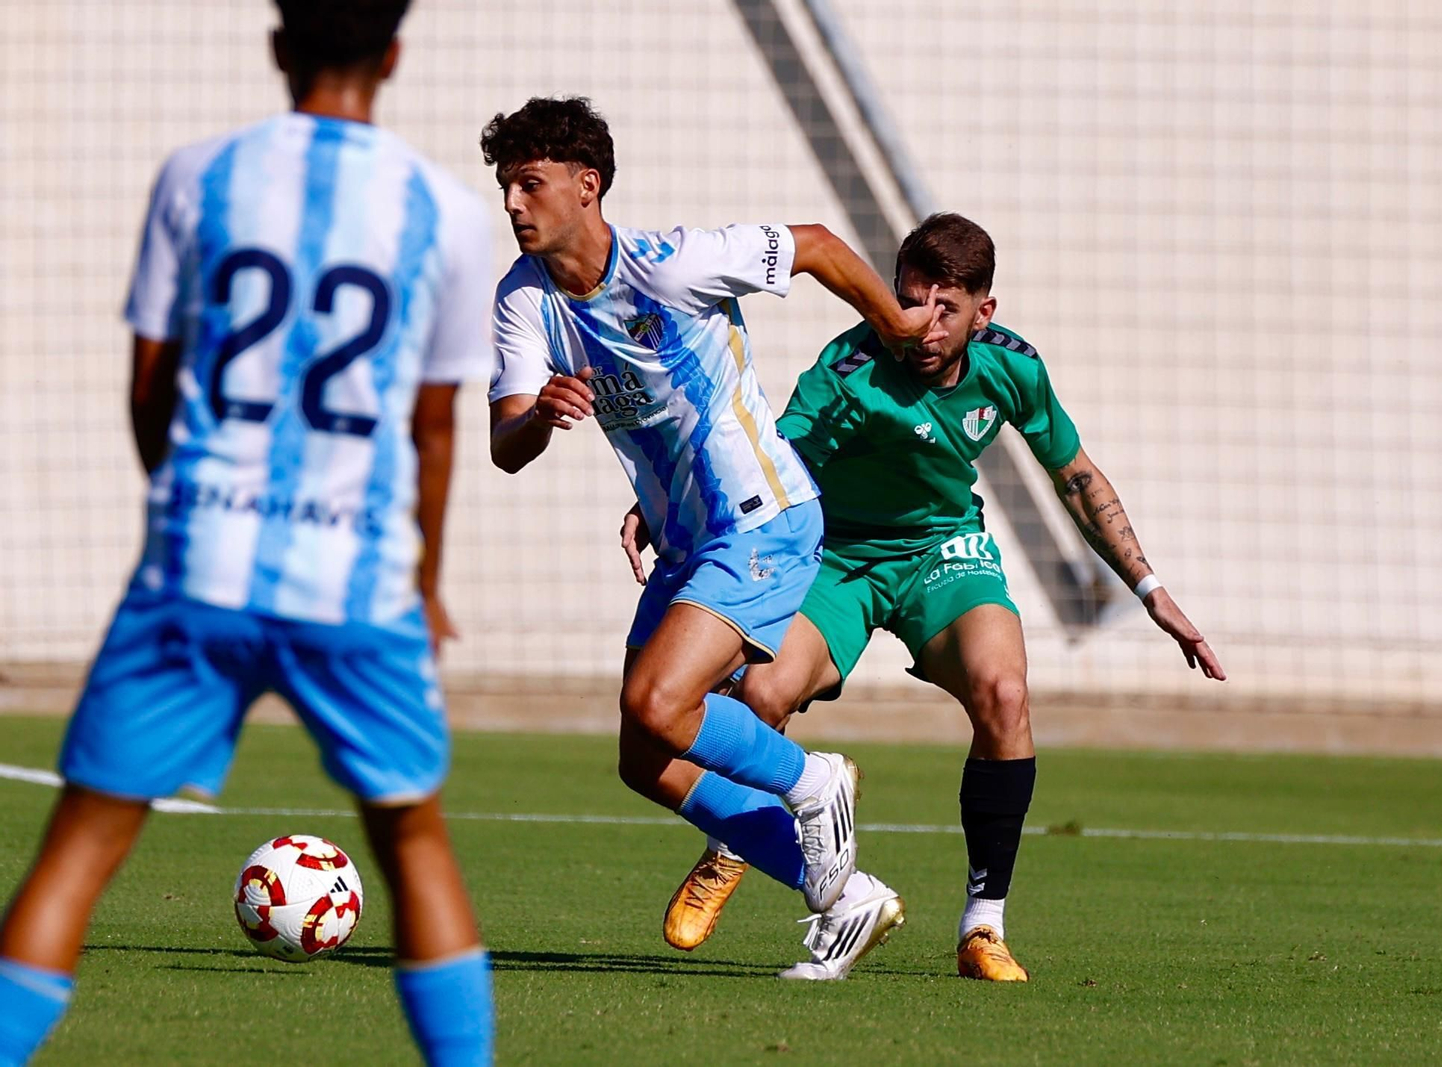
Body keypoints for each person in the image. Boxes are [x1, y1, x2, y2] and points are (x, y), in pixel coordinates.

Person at [0, 3, 496, 1063]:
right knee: (413, 843)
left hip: (199, 563)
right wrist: (428, 572)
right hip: (357, 579)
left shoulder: (198, 175)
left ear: (277, 46)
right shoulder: (445, 213)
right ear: (395, 56)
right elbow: (434, 425)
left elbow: (149, 383)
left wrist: (188, 505)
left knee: (77, 849)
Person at [626, 212, 1226, 981]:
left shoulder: (1012, 368)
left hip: (945, 550)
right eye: (910, 299)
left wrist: (1149, 587)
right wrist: (669, 500)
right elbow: (763, 459)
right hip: (838, 556)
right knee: (763, 691)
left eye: (947, 307)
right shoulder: (848, 370)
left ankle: (983, 926)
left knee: (1005, 691)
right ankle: (733, 842)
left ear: (986, 310)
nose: (922, 322)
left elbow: (1074, 474)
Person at [482, 97, 946, 978]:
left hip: (762, 517)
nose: (512, 201)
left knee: (661, 702)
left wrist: (892, 321)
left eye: (529, 182)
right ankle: (847, 897)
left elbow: (811, 242)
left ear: (588, 186)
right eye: (506, 185)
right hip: (688, 541)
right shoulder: (522, 299)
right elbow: (506, 446)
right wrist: (541, 413)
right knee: (646, 756)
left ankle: (814, 782)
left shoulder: (671, 264)